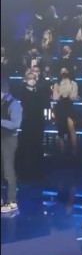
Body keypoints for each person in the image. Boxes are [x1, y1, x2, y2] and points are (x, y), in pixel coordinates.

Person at [17, 69, 46, 180]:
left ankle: (38, 173)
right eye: (29, 78)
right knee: (28, 148)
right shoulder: (23, 91)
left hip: (38, 124)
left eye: (33, 78)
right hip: (28, 124)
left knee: (38, 148)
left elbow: (43, 104)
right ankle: (27, 174)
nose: (32, 80)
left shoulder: (39, 91)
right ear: (26, 80)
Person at [1, 76, 23, 213]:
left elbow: (16, 124)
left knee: (8, 170)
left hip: (9, 140)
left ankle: (12, 201)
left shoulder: (14, 104)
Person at [51, 68, 79, 155]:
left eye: (65, 71)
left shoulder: (73, 83)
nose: (63, 73)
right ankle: (62, 151)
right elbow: (55, 97)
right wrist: (61, 93)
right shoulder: (57, 84)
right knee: (61, 128)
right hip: (60, 106)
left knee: (71, 126)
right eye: (62, 71)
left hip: (69, 105)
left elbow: (73, 96)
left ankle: (74, 150)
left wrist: (66, 94)